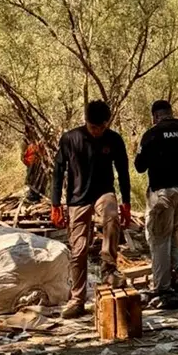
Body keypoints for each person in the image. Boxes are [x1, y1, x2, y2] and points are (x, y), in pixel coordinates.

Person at [51, 100, 132, 319]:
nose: (96, 131)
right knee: (78, 250)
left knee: (111, 216)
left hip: (103, 192)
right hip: (77, 199)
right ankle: (77, 299)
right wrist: (55, 203)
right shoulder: (70, 139)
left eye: (101, 127)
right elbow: (58, 171)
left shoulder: (114, 139)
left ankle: (108, 267)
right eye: (93, 127)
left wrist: (126, 201)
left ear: (107, 124)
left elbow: (123, 171)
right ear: (86, 122)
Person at [134, 100, 178, 303]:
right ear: (171, 113)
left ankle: (162, 287)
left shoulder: (151, 135)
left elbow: (139, 166)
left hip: (163, 193)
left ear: (155, 116)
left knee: (158, 238)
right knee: (172, 232)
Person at [21, 130, 48, 203]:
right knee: (32, 180)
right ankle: (33, 196)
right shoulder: (27, 143)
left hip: (37, 164)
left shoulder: (36, 143)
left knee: (38, 180)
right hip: (31, 163)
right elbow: (22, 156)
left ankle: (36, 196)